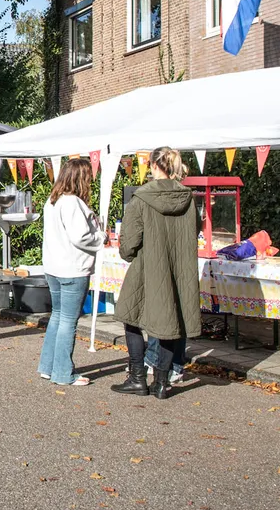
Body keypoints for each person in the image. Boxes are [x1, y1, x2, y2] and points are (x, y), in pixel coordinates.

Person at [111, 147, 202, 400]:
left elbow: (128, 243)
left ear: (152, 166)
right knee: (169, 324)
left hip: (146, 267)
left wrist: (132, 255)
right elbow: (194, 232)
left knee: (131, 319)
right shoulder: (189, 198)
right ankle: (161, 383)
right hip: (178, 269)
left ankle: (138, 378)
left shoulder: (141, 199)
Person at [37, 158, 105, 386]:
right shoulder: (73, 203)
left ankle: (48, 366)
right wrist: (101, 237)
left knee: (57, 317)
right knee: (68, 321)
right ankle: (63, 372)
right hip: (72, 268)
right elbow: (80, 236)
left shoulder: (52, 201)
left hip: (53, 267)